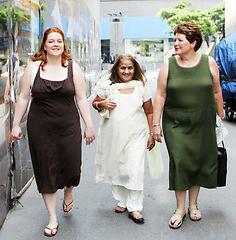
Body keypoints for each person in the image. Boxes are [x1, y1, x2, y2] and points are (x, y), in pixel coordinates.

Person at [12, 27, 95, 237]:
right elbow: (23, 97)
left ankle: (69, 189)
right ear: (45, 45)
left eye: (59, 41)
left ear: (63, 44)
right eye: (51, 41)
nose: (56, 44)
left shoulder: (73, 68)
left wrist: (89, 125)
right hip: (41, 127)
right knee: (46, 169)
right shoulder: (33, 69)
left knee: (72, 167)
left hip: (68, 126)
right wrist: (15, 124)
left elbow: (81, 98)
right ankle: (52, 218)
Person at [152, 22, 224, 229]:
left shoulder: (209, 63)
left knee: (198, 161)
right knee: (181, 161)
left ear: (193, 43)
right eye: (175, 39)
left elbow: (217, 92)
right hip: (175, 123)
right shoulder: (169, 64)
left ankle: (193, 205)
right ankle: (179, 208)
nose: (175, 43)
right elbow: (160, 95)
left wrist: (219, 117)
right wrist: (155, 124)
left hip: (204, 121)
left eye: (179, 40)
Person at [92, 54, 155, 224]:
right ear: (117, 69)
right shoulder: (108, 86)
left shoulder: (141, 86)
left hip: (136, 135)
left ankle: (134, 207)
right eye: (123, 68)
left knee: (134, 168)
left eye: (130, 68)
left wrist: (151, 134)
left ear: (135, 69)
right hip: (113, 136)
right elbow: (95, 103)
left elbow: (150, 111)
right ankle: (121, 200)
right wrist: (102, 104)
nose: (126, 71)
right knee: (118, 167)